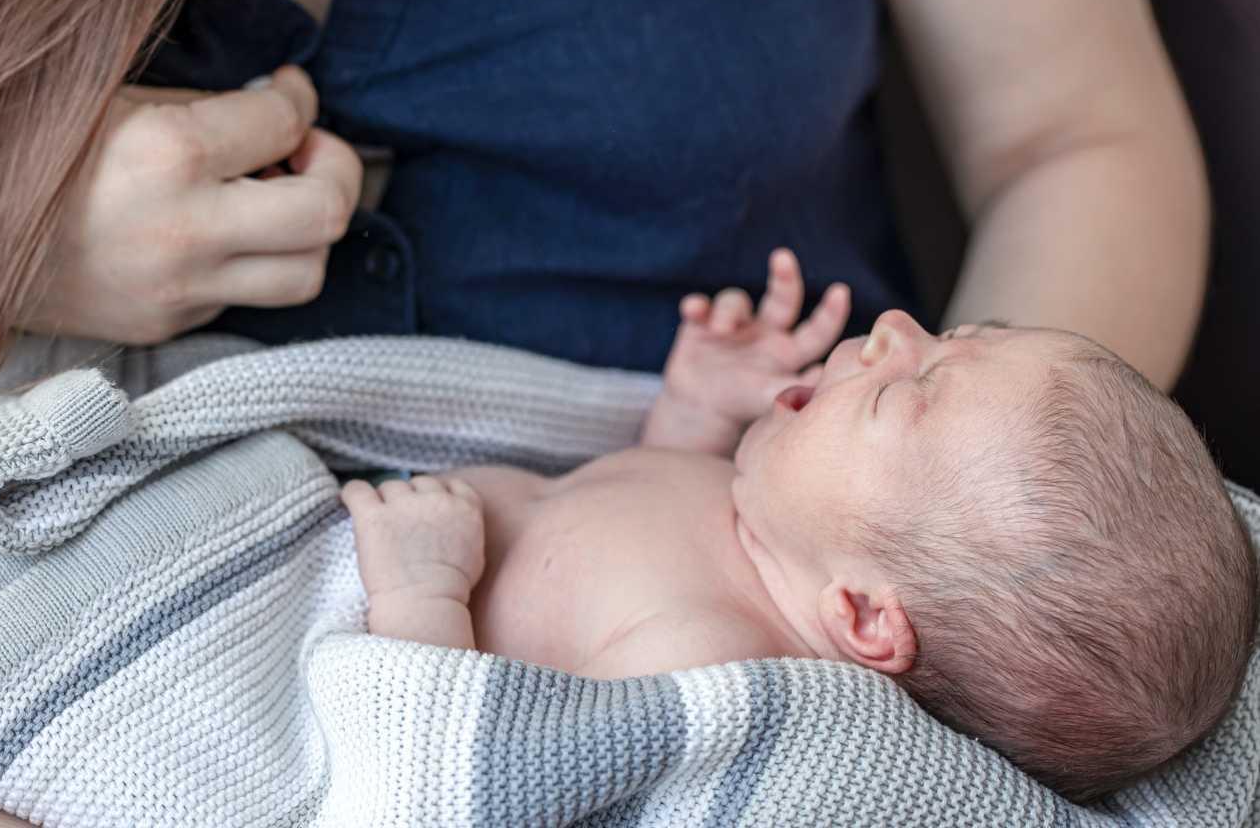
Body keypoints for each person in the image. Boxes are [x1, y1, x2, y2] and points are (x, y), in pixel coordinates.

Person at [0, 0, 1212, 823]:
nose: (887, 344)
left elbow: (1076, 140)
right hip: (174, 538)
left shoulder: (766, 652)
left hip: (537, 589)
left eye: (914, 383)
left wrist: (987, 554)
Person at [344, 255, 1256, 802]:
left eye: (906, 392)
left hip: (373, 602)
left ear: (863, 616)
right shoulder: (764, 530)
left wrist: (419, 597)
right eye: (960, 331)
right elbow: (621, 513)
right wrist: (691, 413)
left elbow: (461, 776)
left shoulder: (704, 662)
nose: (897, 323)